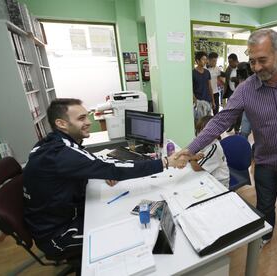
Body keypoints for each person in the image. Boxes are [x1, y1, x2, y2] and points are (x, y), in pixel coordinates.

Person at [176, 29, 277, 256]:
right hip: (267, 157)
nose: (256, 68)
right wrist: (190, 149)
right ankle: (265, 234)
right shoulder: (246, 90)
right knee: (265, 203)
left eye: (262, 60)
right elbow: (220, 121)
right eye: (252, 61)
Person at [23, 98, 186, 263]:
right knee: (131, 233)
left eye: (87, 116)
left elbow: (83, 163)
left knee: (121, 213)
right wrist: (165, 162)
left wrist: (98, 169)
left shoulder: (50, 144)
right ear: (62, 123)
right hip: (57, 235)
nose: (88, 122)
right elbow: (113, 168)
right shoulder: (61, 153)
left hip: (61, 215)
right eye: (81, 119)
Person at [189, 116, 230, 187]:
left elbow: (196, 167)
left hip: (219, 183)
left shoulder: (214, 147)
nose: (200, 135)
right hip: (206, 175)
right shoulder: (200, 140)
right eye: (199, 131)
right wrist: (193, 157)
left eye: (205, 132)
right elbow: (188, 151)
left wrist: (191, 158)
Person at [192, 51, 214, 121]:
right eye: (203, 59)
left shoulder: (207, 72)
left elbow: (210, 87)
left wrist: (213, 101)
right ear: (197, 61)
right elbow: (190, 89)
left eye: (206, 59)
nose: (205, 61)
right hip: (199, 102)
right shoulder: (193, 73)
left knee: (207, 123)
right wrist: (195, 101)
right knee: (200, 123)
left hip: (208, 101)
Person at [224, 53, 241, 133]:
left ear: (236, 61)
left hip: (239, 93)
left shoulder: (241, 68)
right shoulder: (229, 68)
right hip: (230, 92)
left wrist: (236, 79)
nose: (229, 64)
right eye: (229, 62)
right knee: (230, 110)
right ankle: (231, 125)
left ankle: (237, 128)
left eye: (231, 62)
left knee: (239, 111)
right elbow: (225, 75)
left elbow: (246, 79)